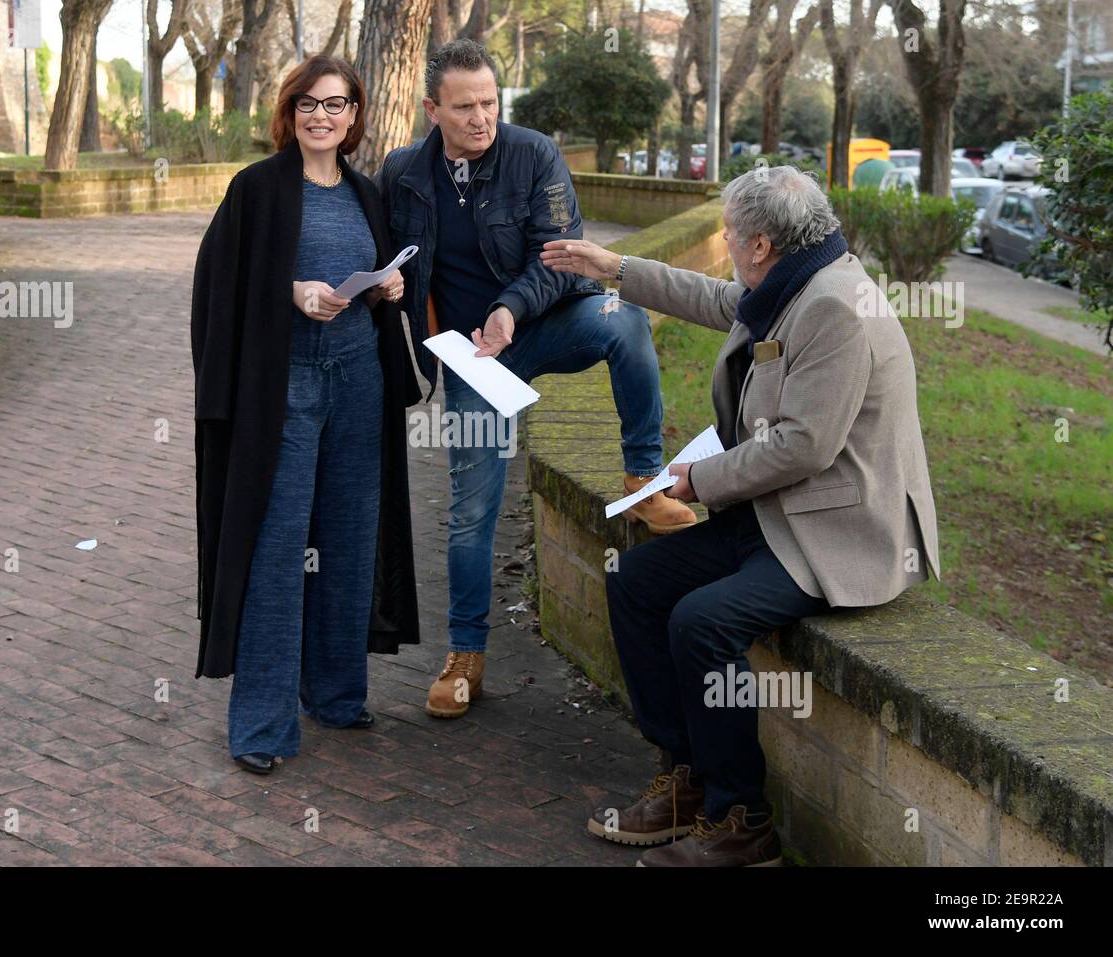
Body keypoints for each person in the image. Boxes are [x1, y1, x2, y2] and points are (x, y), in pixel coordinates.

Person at [542, 164, 940, 866]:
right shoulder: (793, 282)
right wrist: (616, 267)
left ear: (760, 243)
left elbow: (803, 445)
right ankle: (689, 779)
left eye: (728, 230)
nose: (722, 241)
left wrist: (700, 479)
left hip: (837, 527)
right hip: (778, 512)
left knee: (702, 621)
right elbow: (716, 298)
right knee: (635, 582)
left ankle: (741, 818)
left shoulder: (836, 307)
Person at [375, 39, 694, 719]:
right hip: (471, 363)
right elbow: (380, 256)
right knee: (471, 512)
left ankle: (643, 478)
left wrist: (506, 309)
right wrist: (384, 287)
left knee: (624, 313)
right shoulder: (402, 174)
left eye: (490, 102)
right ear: (433, 109)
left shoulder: (533, 155)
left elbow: (559, 257)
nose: (481, 118)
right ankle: (466, 656)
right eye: (464, 108)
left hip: (542, 324)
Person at [190, 55, 422, 775]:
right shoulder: (256, 189)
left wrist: (388, 289)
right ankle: (261, 724)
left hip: (358, 382)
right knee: (278, 544)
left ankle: (335, 693)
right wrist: (292, 292)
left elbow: (384, 281)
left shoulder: (367, 194)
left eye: (337, 104)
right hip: (282, 388)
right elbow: (218, 286)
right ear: (289, 114)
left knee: (349, 539)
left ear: (355, 116)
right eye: (308, 105)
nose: (322, 116)